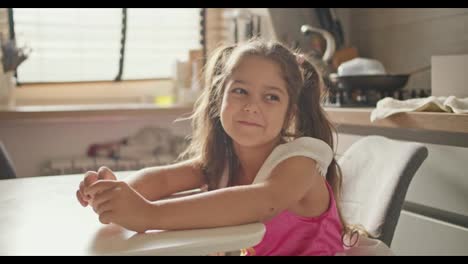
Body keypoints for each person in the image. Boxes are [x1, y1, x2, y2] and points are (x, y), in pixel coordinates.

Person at [76, 38, 354, 256]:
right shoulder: (221, 161)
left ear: (289, 113)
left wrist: (150, 215)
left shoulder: (301, 161)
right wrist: (112, 192)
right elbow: (162, 178)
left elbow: (264, 201)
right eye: (240, 91)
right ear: (219, 97)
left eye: (271, 97)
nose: (251, 106)